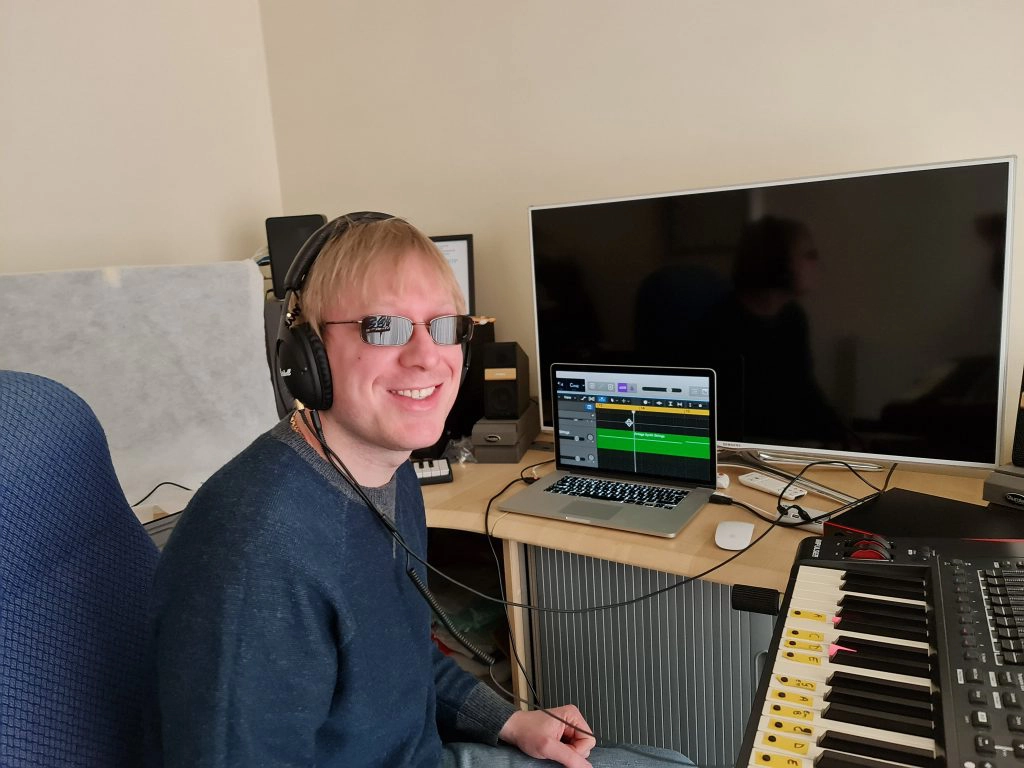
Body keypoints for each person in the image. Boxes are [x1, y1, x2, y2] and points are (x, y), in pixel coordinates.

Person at [145, 213, 690, 768]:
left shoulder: (391, 469)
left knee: (670, 760)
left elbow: (397, 659)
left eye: (445, 326)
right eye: (384, 327)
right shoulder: (255, 551)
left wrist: (507, 719)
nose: (427, 356)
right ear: (304, 358)